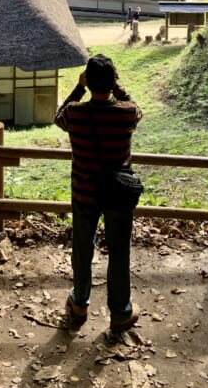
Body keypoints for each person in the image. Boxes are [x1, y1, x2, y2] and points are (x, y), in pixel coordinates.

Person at [54, 54, 143, 333]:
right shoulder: (126, 114)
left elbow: (58, 116)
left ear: (89, 81)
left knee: (82, 248)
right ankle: (120, 312)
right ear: (114, 80)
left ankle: (80, 302)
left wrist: (79, 88)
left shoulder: (75, 114)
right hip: (118, 194)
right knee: (119, 251)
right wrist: (117, 87)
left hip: (84, 192)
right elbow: (137, 107)